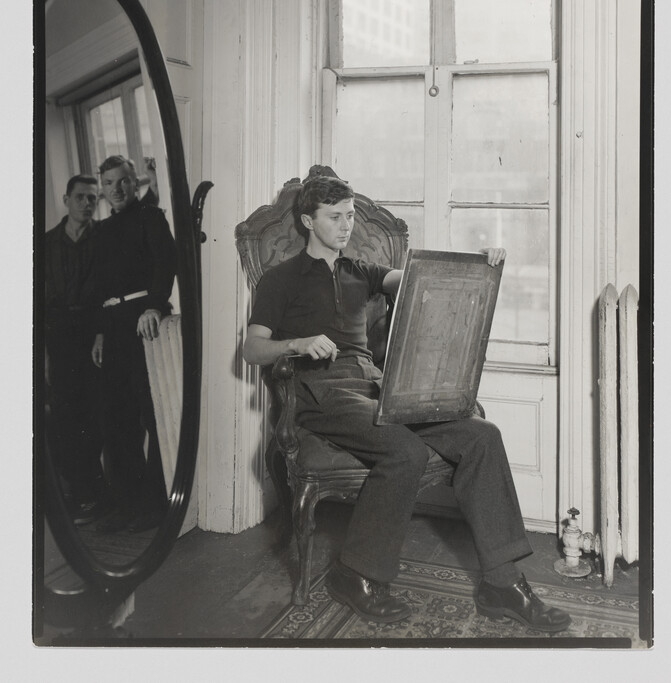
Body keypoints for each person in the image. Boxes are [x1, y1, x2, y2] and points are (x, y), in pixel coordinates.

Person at [243, 175, 571, 632]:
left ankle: (502, 582)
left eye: (350, 216)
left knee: (482, 436)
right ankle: (354, 574)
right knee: (405, 450)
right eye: (335, 217)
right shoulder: (281, 279)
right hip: (320, 390)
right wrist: (297, 343)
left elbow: (423, 279)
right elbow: (252, 349)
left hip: (373, 385)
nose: (346, 225)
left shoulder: (361, 271)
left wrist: (478, 261)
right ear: (307, 221)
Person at [91, 155, 177, 533]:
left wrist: (154, 306)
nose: (117, 189)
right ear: (103, 188)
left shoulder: (150, 217)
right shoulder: (101, 230)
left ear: (134, 182)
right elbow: (100, 285)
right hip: (112, 328)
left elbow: (166, 262)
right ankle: (129, 505)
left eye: (123, 180)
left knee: (151, 414)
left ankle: (156, 505)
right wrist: (100, 332)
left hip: (144, 321)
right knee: (117, 419)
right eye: (109, 183)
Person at [44, 175, 106, 524]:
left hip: (93, 334)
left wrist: (100, 332)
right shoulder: (46, 242)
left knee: (95, 415)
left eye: (92, 198)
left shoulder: (104, 238)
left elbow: (108, 289)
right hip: (58, 337)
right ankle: (80, 494)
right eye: (80, 197)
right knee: (66, 417)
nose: (86, 204)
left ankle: (96, 494)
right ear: (66, 199)